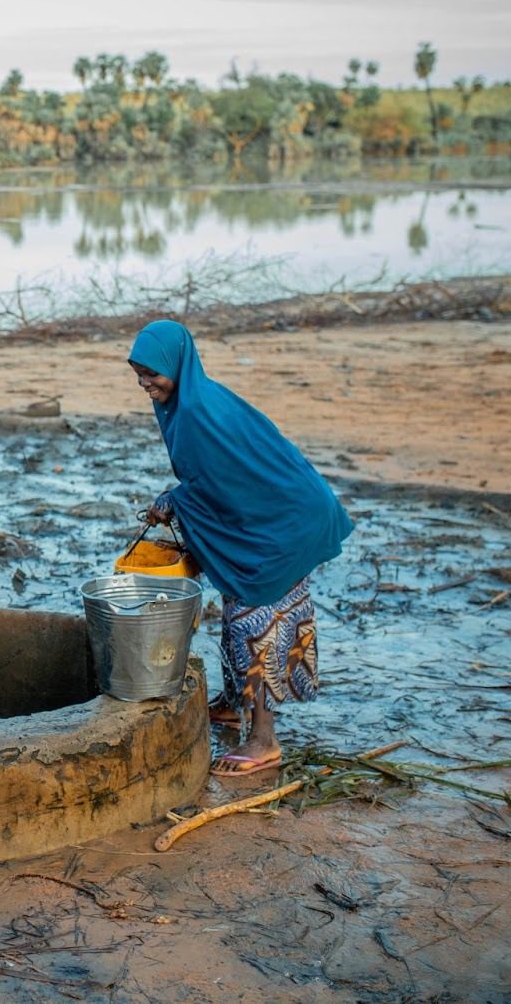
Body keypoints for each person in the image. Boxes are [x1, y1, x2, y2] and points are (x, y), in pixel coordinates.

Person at [128, 319, 353, 778]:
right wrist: (178, 497)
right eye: (137, 374)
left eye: (153, 373)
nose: (145, 384)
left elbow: (220, 483)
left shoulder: (196, 414)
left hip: (286, 520)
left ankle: (264, 741)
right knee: (236, 610)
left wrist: (174, 501)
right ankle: (233, 706)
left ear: (177, 364)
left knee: (252, 620)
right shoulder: (192, 401)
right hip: (279, 512)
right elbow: (216, 478)